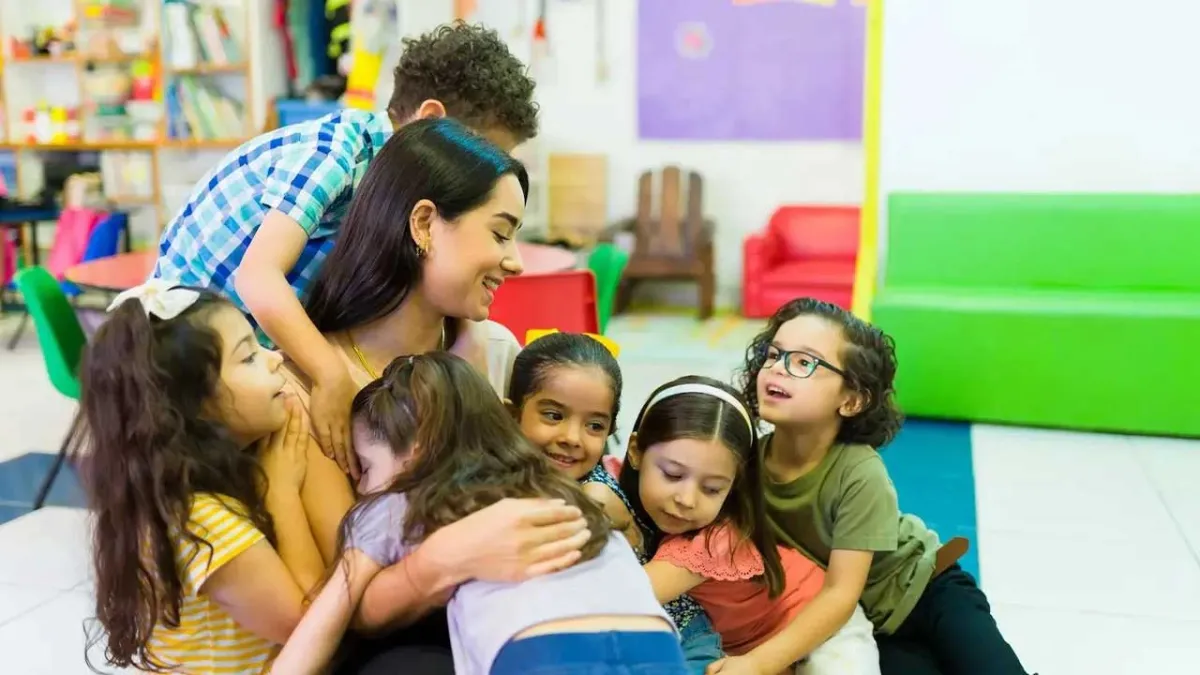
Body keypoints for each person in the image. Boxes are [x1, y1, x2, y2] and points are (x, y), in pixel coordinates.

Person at [277, 117, 590, 673]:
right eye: (500, 232)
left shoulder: (494, 352)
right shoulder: (306, 388)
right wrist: (449, 557)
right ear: (424, 223)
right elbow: (350, 603)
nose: (515, 260)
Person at [151, 22, 539, 471]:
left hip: (256, 352)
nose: (492, 177)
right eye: (483, 155)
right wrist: (330, 375)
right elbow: (257, 277)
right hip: (182, 368)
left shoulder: (396, 195)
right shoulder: (337, 150)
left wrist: (470, 332)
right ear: (432, 120)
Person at [272, 353, 687, 675]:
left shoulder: (400, 499)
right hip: (658, 645)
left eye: (366, 466)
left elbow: (325, 619)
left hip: (545, 653)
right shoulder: (555, 486)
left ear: (415, 452)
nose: (362, 486)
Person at [738, 297, 1030, 675]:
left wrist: (761, 661)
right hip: (875, 624)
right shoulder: (745, 463)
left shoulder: (859, 472)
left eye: (803, 362)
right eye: (773, 354)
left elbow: (840, 593)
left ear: (852, 399)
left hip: (930, 591)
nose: (777, 370)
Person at [69, 281, 325, 673]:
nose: (274, 358)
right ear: (195, 407)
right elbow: (309, 624)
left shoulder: (191, 486)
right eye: (249, 358)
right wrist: (283, 492)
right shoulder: (199, 518)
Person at [624, 377, 880, 674]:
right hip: (743, 647)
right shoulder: (616, 489)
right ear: (635, 452)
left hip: (819, 626)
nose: (686, 499)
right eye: (672, 474)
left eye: (712, 489)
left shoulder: (715, 541)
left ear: (733, 485)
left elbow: (623, 595)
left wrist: (761, 663)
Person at [505, 333, 726, 675]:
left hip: (677, 641)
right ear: (511, 414)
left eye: (594, 425)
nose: (572, 438)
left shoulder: (593, 499)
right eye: (553, 415)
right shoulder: (519, 480)